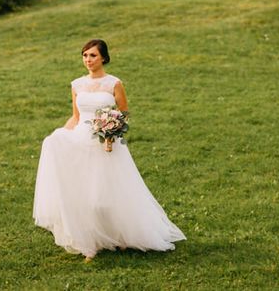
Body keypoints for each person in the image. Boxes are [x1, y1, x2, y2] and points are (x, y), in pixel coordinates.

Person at [33, 39, 185, 260]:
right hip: (81, 140)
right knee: (83, 192)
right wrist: (60, 133)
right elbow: (76, 117)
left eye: (92, 55)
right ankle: (90, 243)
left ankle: (121, 237)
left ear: (103, 57)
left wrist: (111, 130)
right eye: (85, 55)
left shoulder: (114, 83)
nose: (88, 60)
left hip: (106, 144)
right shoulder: (76, 84)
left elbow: (123, 112)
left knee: (108, 193)